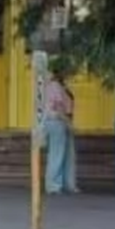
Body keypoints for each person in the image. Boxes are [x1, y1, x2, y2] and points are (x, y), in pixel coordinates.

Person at [43, 57, 78, 194]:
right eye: (67, 72)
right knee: (56, 155)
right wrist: (69, 124)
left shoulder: (59, 85)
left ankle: (65, 183)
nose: (69, 74)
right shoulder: (55, 86)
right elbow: (58, 108)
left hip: (60, 121)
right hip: (57, 121)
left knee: (64, 154)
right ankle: (53, 185)